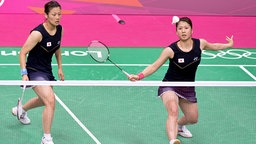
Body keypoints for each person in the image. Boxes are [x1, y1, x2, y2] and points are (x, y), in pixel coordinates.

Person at [128, 17, 233, 144]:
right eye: (180, 28)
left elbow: (214, 46)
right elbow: (154, 66)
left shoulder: (200, 44)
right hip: (170, 85)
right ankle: (173, 140)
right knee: (173, 110)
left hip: (187, 87)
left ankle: (179, 126)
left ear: (192, 30)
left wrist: (228, 45)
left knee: (193, 118)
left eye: (186, 28)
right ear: (176, 32)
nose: (183, 31)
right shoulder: (171, 50)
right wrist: (139, 76)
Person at [11, 1, 64, 144]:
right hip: (34, 71)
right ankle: (46, 138)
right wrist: (24, 73)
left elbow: (57, 47)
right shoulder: (37, 33)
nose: (57, 17)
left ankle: (20, 110)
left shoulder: (59, 29)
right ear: (46, 15)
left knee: (44, 99)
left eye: (59, 14)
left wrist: (60, 67)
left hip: (47, 70)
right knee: (50, 101)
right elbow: (22, 53)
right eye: (54, 14)